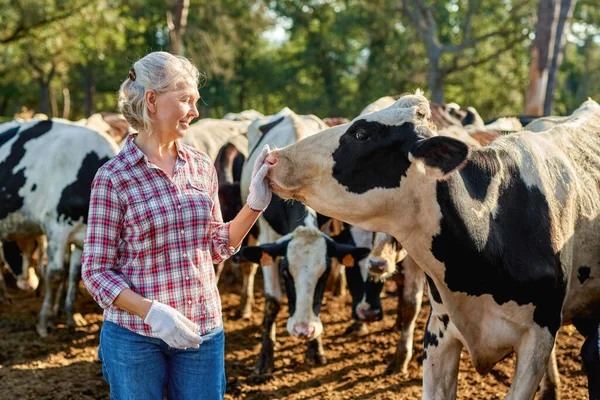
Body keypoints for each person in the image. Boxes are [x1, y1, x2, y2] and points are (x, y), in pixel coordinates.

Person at [81, 51, 272, 400]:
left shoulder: (200, 165)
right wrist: (151, 312)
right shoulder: (113, 178)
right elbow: (96, 272)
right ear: (152, 100)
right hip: (135, 338)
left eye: (196, 101)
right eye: (186, 100)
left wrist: (254, 205)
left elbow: (217, 245)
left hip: (202, 331)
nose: (196, 112)